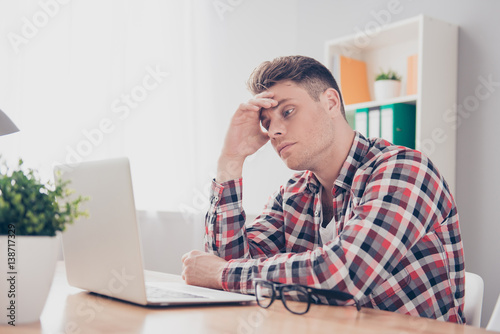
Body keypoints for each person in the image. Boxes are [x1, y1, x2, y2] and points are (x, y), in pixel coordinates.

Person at [181, 55, 465, 323]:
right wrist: (231, 160)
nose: (275, 131)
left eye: (288, 112)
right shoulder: (292, 195)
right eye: (266, 123)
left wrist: (221, 273)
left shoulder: (405, 170)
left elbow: (345, 275)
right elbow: (226, 265)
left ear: (330, 102)